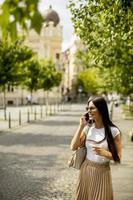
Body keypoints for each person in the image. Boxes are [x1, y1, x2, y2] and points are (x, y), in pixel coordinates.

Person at [70, 96, 122, 200]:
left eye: (92, 108)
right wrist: (81, 126)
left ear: (101, 109)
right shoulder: (88, 129)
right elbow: (73, 147)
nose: (89, 111)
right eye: (87, 108)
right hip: (86, 171)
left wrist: (105, 153)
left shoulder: (114, 131)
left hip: (103, 173)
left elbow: (118, 158)